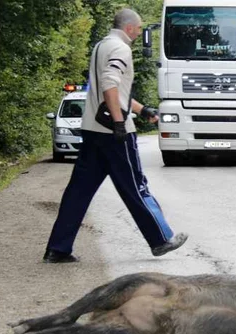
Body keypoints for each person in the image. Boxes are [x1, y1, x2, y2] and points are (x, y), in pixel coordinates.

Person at [42, 8, 188, 263]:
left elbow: (111, 90)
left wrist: (142, 110)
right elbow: (110, 84)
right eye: (139, 29)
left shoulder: (101, 46)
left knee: (78, 190)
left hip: (93, 129)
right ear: (130, 28)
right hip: (114, 133)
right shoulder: (121, 49)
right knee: (136, 185)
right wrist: (120, 123)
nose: (140, 33)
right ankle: (160, 239)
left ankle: (58, 248)